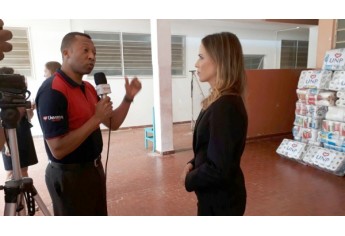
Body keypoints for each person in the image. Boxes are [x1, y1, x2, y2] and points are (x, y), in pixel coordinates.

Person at [35, 32, 142, 216]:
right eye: (85, 50)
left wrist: (128, 98)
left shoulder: (90, 88)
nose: (92, 56)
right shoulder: (53, 90)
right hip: (69, 177)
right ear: (66, 53)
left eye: (94, 52)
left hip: (93, 171)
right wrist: (95, 119)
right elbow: (58, 149)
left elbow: (113, 123)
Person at [180, 32, 248, 216]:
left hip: (222, 202)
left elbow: (219, 168)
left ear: (220, 61)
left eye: (201, 57)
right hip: (213, 196)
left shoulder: (226, 107)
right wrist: (193, 163)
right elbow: (210, 148)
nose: (196, 64)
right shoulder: (218, 101)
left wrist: (189, 179)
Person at [0, 67, 38, 180]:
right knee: (11, 171)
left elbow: (29, 117)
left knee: (24, 170)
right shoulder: (2, 99)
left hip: (22, 132)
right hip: (6, 135)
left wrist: (29, 111)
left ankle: (24, 193)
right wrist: (6, 145)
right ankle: (12, 196)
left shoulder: (20, 95)